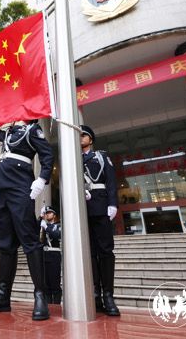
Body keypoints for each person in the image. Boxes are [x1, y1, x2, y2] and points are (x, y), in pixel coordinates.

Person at [0, 120, 53, 320]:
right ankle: (3, 296)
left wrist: (42, 179)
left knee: (29, 240)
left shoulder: (32, 130)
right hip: (4, 188)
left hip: (21, 186)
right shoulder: (11, 132)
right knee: (5, 243)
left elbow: (47, 154)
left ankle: (40, 295)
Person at [80, 125, 120, 316]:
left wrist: (112, 204)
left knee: (105, 251)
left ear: (91, 139)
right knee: (89, 253)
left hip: (101, 205)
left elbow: (111, 181)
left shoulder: (101, 156)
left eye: (84, 135)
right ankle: (95, 292)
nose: (80, 138)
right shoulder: (73, 158)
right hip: (82, 209)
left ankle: (108, 295)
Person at [40, 206, 61, 304]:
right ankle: (48, 305)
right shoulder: (43, 226)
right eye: (46, 213)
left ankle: (56, 305)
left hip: (54, 256)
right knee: (46, 285)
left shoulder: (58, 225)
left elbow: (56, 235)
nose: (47, 214)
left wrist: (46, 227)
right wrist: (40, 217)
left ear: (54, 215)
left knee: (55, 283)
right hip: (45, 256)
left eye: (50, 213)